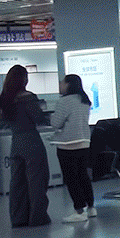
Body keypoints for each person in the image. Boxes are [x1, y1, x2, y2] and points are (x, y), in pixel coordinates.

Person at [0, 64, 50, 228]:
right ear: (24, 79)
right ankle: (37, 217)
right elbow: (38, 118)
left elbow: (3, 120)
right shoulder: (28, 98)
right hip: (31, 141)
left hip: (16, 142)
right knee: (37, 180)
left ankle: (18, 218)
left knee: (17, 182)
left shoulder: (5, 99)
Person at [51, 74, 95, 223]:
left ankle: (79, 210)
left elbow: (56, 123)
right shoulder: (84, 100)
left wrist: (51, 118)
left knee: (71, 178)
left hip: (67, 144)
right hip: (84, 142)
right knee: (83, 176)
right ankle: (91, 207)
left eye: (62, 83)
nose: (60, 85)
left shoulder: (64, 101)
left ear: (68, 84)